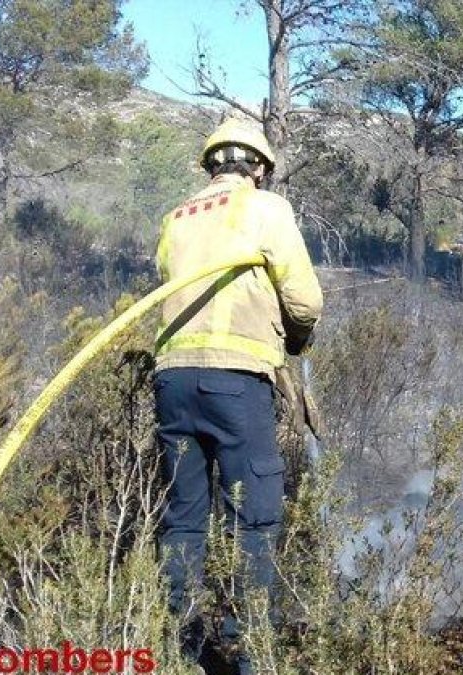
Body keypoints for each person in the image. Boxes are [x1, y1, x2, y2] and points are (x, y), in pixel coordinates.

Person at [152, 119, 323, 673]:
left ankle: (183, 647)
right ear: (260, 167)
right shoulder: (265, 208)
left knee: (184, 516)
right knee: (255, 515)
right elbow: (304, 298)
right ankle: (251, 652)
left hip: (173, 383)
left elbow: (169, 278)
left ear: (210, 166)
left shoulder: (176, 218)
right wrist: (295, 340)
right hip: (235, 381)